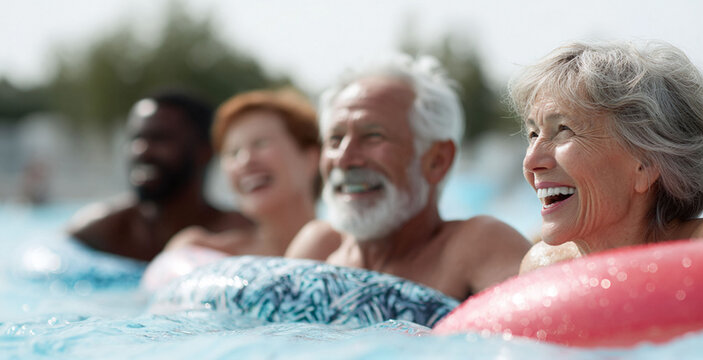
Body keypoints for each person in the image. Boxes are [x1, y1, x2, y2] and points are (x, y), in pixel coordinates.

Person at [513, 41, 703, 274]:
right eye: (533, 134)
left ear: (645, 165)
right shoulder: (543, 268)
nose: (531, 162)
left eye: (564, 129)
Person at [285, 55, 530, 301]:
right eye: (335, 139)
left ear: (437, 160)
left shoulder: (476, 246)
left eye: (372, 136)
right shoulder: (317, 249)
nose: (344, 158)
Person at [67, 92, 251, 262]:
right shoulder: (98, 233)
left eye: (160, 139)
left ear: (205, 151)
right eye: (136, 138)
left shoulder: (242, 234)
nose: (141, 151)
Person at [162, 88, 324, 256]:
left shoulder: (346, 252)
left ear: (311, 158)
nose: (245, 161)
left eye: (261, 143)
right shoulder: (200, 250)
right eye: (233, 152)